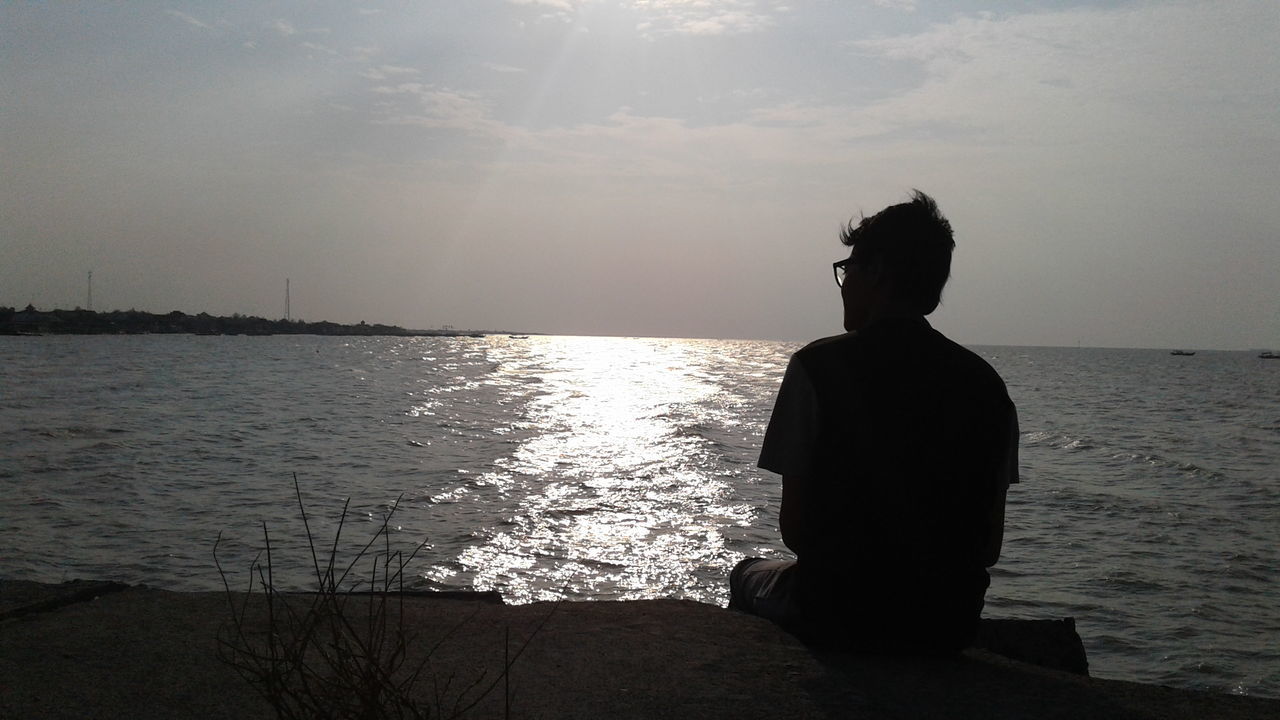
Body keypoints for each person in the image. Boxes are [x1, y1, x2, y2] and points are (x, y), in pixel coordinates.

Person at [729, 190, 1018, 654]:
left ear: (877, 272)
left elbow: (797, 531)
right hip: (947, 623)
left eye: (848, 270)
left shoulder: (816, 368)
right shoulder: (988, 387)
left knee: (745, 576)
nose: (844, 285)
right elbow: (987, 547)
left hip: (838, 612)